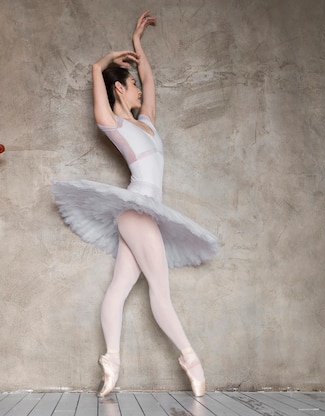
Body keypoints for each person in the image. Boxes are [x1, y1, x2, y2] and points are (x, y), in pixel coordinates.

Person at [51, 11, 218, 397]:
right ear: (118, 91)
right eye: (132, 85)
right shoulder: (114, 124)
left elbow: (151, 81)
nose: (139, 90)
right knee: (159, 289)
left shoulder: (148, 122)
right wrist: (101, 64)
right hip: (136, 209)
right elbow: (100, 95)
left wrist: (138, 43)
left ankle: (111, 362)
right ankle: (191, 358)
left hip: (145, 213)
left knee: (120, 288)